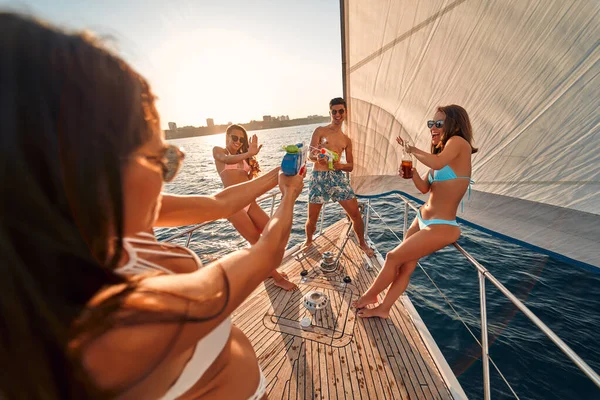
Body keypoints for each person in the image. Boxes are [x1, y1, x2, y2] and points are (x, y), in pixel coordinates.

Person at [0, 13, 305, 400]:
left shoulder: (102, 218)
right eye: (159, 158)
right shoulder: (114, 330)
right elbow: (267, 252)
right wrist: (290, 195)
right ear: (90, 171)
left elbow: (217, 202)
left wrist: (279, 177)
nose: (172, 166)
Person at [353, 104, 477, 318]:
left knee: (392, 257)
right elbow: (425, 188)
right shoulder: (442, 154)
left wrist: (411, 149)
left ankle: (371, 296)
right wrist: (413, 175)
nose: (433, 128)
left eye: (438, 123)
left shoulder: (459, 143)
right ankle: (384, 309)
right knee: (405, 267)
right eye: (431, 124)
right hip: (422, 218)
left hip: (442, 226)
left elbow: (436, 161)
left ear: (454, 124)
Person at [213, 124, 297, 290]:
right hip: (233, 205)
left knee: (271, 231)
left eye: (241, 139)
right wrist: (249, 153)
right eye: (234, 138)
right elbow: (226, 160)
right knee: (256, 241)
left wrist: (251, 166)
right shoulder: (219, 151)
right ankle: (276, 277)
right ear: (227, 137)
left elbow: (250, 184)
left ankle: (266, 270)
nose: (237, 141)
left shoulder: (244, 158)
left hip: (249, 203)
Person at [303, 97, 374, 257]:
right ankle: (308, 241)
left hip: (337, 177)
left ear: (345, 113)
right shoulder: (320, 131)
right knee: (312, 219)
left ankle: (362, 243)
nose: (337, 114)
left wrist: (340, 165)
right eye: (334, 111)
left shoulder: (346, 140)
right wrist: (317, 157)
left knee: (355, 214)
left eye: (340, 111)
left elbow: (350, 166)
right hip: (319, 177)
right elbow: (310, 155)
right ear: (330, 113)